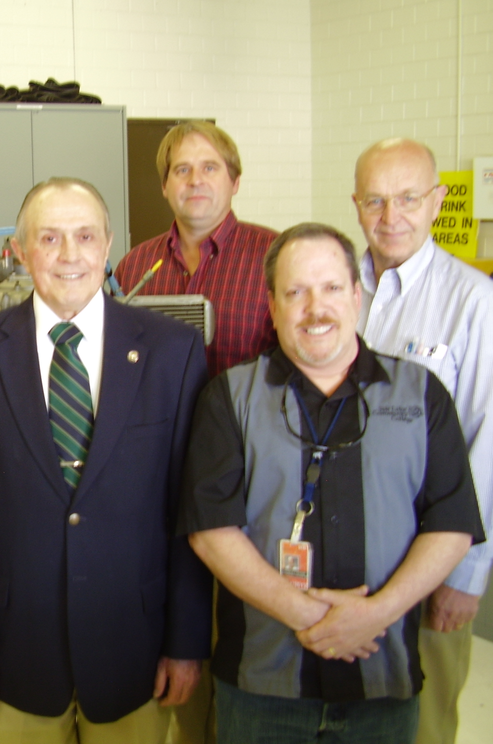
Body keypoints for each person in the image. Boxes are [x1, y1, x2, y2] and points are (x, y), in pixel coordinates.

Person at [0, 177, 212, 743]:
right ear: (20, 250)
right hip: (14, 654)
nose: (69, 255)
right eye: (50, 238)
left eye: (85, 236)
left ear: (108, 246)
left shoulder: (172, 353)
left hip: (136, 647)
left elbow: (190, 514)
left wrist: (185, 644)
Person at [181, 222, 484, 743]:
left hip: (382, 679)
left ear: (357, 297)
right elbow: (211, 532)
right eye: (295, 292)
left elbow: (452, 524)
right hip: (262, 687)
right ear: (272, 307)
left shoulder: (420, 394)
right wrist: (310, 618)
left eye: (331, 289)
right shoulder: (229, 398)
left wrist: (375, 615)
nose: (314, 309)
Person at [351, 137, 493, 744]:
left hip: (430, 553)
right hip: (344, 550)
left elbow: (486, 440)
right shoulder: (337, 286)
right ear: (356, 204)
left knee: (425, 722)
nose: (392, 217)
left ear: (437, 201)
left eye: (408, 198)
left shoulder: (474, 301)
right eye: (376, 200)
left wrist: (468, 571)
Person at [114, 120, 278, 377]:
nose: (195, 181)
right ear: (165, 186)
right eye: (182, 170)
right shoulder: (134, 265)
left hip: (244, 417)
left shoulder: (277, 256)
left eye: (209, 168)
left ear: (235, 182)